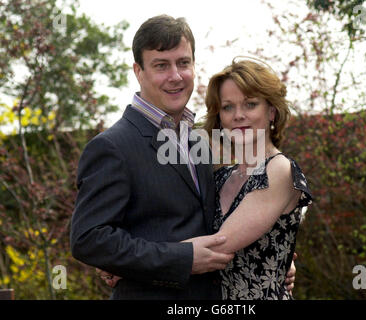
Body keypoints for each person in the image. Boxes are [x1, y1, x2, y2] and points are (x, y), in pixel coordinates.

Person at [72, 14, 297, 300]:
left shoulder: (200, 141)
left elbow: (229, 218)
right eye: (161, 65)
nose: (175, 76)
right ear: (138, 71)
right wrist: (173, 258)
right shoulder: (113, 147)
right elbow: (88, 239)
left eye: (183, 63)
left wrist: (277, 255)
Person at [200, 59, 313, 299]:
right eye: (228, 107)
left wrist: (131, 264)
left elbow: (218, 245)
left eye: (250, 104)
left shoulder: (280, 170)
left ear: (271, 111)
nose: (238, 115)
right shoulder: (219, 177)